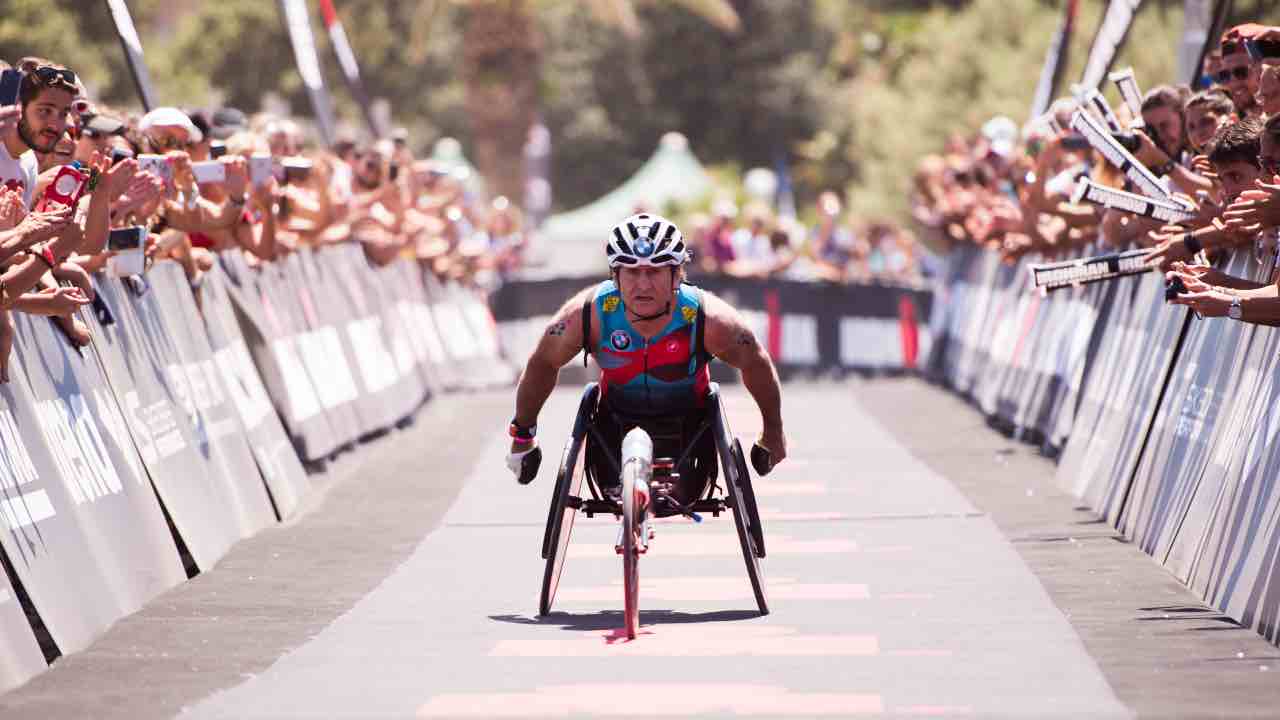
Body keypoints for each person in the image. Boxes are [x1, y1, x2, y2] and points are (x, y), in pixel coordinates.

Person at [506, 212, 787, 513]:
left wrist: (773, 431)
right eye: (632, 272)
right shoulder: (590, 314)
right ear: (615, 275)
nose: (642, 284)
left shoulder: (707, 318)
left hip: (689, 439)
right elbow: (543, 362)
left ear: (676, 273)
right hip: (613, 432)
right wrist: (523, 434)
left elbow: (754, 360)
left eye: (654, 272)